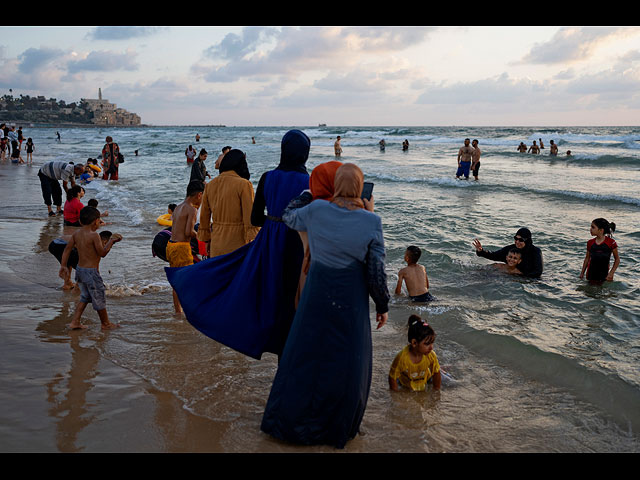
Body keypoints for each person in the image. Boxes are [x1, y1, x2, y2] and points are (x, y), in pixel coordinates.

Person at [260, 163, 390, 449]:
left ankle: (289, 424)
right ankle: (336, 429)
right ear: (360, 187)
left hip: (316, 295)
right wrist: (382, 304)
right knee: (346, 363)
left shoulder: (317, 211)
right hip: (350, 301)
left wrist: (307, 194)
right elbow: (376, 272)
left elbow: (288, 217)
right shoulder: (372, 222)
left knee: (305, 357)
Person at [166, 131, 311, 360]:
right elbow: (251, 222)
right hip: (293, 243)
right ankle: (286, 348)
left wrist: (205, 241)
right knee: (288, 295)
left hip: (240, 241)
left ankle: (217, 326)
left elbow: (219, 219)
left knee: (231, 289)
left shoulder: (262, 178)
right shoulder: (307, 181)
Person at [59, 206, 122, 330]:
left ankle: (75, 322)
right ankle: (106, 323)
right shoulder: (94, 236)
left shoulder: (76, 234)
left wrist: (63, 265)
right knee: (99, 296)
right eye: (99, 221)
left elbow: (67, 249)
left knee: (85, 296)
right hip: (91, 273)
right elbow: (102, 253)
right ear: (96, 221)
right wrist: (111, 241)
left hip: (80, 270)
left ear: (81, 221)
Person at [197, 149, 258, 257]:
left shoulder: (210, 185)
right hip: (238, 244)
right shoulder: (244, 185)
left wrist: (206, 240)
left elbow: (204, 217)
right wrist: (253, 239)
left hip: (216, 243)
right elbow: (250, 218)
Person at [167, 180, 205, 314]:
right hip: (182, 248)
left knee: (177, 281)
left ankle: (178, 311)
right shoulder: (192, 209)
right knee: (187, 280)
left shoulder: (178, 207)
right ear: (199, 195)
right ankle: (187, 310)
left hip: (171, 245)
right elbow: (189, 232)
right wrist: (201, 236)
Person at [389, 315, 441, 392]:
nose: (431, 348)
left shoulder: (431, 355)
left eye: (432, 343)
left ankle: (443, 368)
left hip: (426, 378)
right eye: (427, 344)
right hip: (405, 383)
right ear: (414, 343)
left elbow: (436, 373)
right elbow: (392, 377)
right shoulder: (402, 358)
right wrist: (396, 396)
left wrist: (436, 392)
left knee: (451, 383)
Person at [473, 227, 543, 278]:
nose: (517, 242)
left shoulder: (535, 252)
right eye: (516, 239)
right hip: (511, 275)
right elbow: (494, 255)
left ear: (527, 241)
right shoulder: (511, 249)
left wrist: (520, 277)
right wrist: (481, 251)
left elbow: (538, 272)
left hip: (527, 279)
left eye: (521, 240)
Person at [580, 218, 619, 284]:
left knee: (605, 293)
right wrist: (582, 273)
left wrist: (611, 273)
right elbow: (587, 259)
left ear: (601, 230)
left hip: (605, 276)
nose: (590, 229)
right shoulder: (590, 243)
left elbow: (617, 259)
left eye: (593, 227)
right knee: (588, 293)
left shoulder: (611, 243)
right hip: (590, 275)